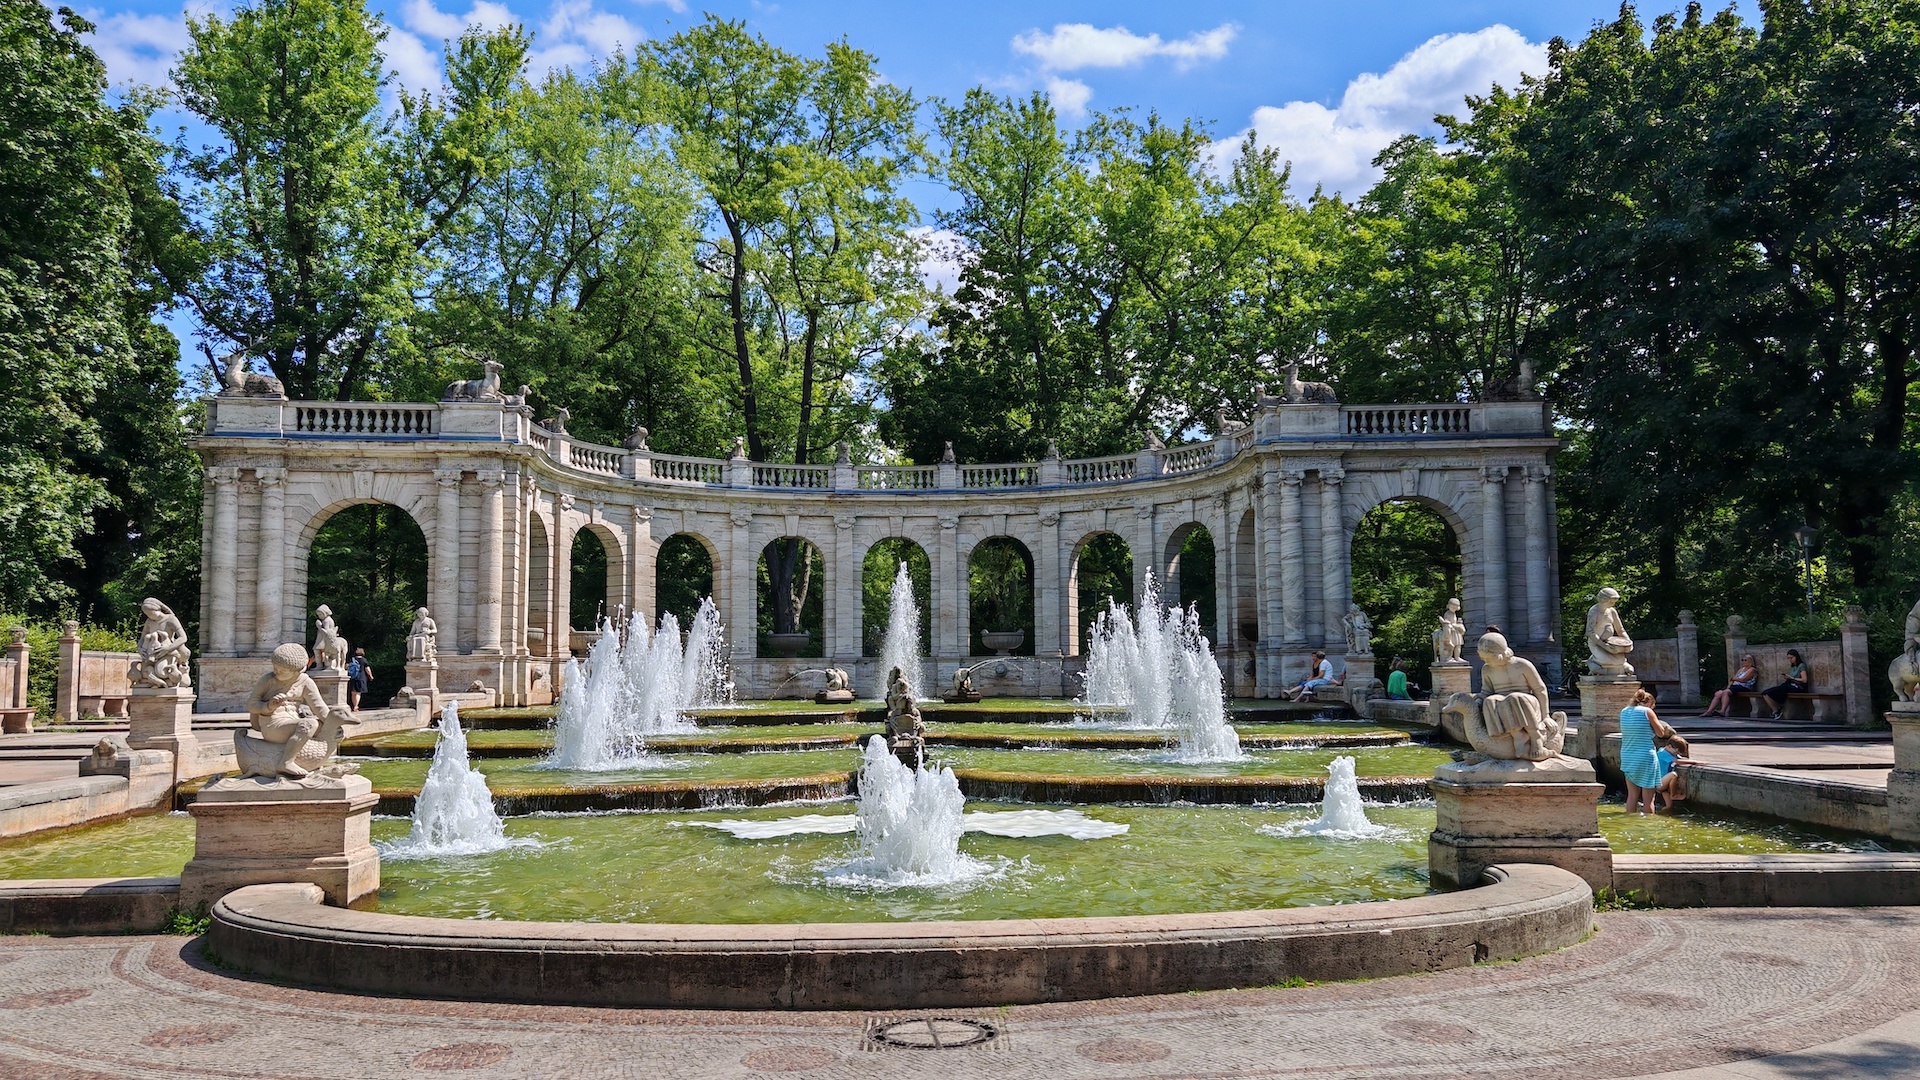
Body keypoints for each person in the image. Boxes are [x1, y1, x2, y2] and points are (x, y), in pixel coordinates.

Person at [1618, 689, 1664, 814]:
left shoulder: (1624, 711)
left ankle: (1630, 820)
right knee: (1648, 799)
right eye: (1653, 706)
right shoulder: (1647, 711)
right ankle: (1648, 824)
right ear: (1649, 703)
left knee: (1632, 795)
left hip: (1627, 756)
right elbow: (1660, 733)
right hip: (1645, 756)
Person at [1760, 649, 1810, 720]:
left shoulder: (1801, 666)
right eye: (1788, 658)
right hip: (1789, 684)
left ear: (1796, 657)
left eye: (1791, 658)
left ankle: (1778, 709)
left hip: (1798, 686)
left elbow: (1804, 680)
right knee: (1765, 693)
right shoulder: (1792, 667)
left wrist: (1792, 678)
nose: (1790, 660)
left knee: (1782, 689)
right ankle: (1776, 710)